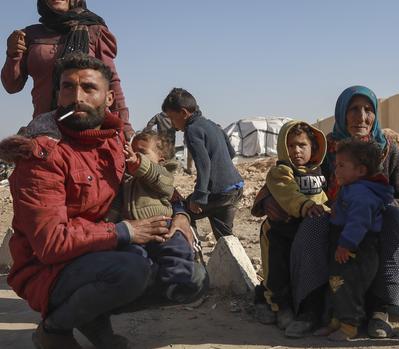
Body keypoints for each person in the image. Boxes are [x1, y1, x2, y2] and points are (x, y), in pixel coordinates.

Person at [0, 53, 203, 349]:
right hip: (49, 269)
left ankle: (92, 319)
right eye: (68, 87)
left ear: (109, 98)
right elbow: (50, 243)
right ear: (58, 94)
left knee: (191, 279)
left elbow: (153, 185)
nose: (77, 97)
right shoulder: (42, 156)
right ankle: (54, 329)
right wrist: (125, 231)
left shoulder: (114, 142)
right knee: (131, 270)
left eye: (88, 88)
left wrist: (181, 214)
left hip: (101, 253)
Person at [288, 85, 399, 339]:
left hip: (375, 223)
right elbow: (295, 178)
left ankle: (379, 311)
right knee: (313, 223)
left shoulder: (387, 149)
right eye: (353, 109)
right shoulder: (325, 150)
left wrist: (380, 206)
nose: (361, 117)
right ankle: (311, 309)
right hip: (337, 218)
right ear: (341, 113)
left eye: (368, 110)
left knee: (394, 219)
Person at [1, 0, 133, 139]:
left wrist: (125, 127)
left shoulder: (94, 30)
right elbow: (11, 86)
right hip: (46, 131)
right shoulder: (29, 35)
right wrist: (12, 54)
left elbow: (111, 80)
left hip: (89, 128)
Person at [105, 130, 206, 304]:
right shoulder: (127, 182)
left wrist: (139, 163)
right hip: (135, 232)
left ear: (160, 161)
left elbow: (166, 185)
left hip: (162, 225)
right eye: (132, 151)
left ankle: (176, 283)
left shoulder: (162, 176)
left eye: (142, 153)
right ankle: (146, 285)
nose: (134, 156)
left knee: (176, 248)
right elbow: (116, 205)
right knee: (134, 256)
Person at [251, 121, 329, 334]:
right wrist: (306, 206)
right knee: (277, 268)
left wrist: (328, 210)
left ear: (313, 146)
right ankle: (278, 305)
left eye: (302, 145)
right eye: (291, 146)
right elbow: (288, 193)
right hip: (282, 229)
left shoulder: (319, 171)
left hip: (309, 226)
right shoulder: (281, 171)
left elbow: (324, 197)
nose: (296, 150)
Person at [315, 139, 395, 341]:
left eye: (341, 165)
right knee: (336, 283)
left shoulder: (362, 193)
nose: (336, 170)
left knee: (348, 286)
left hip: (358, 250)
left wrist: (346, 244)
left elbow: (359, 222)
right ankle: (336, 321)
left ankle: (349, 326)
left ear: (360, 170)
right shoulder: (352, 188)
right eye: (336, 165)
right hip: (345, 246)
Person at [161, 88, 244, 241]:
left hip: (219, 192)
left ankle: (193, 252)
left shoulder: (192, 130)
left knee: (183, 212)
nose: (172, 124)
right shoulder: (212, 124)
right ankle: (235, 263)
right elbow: (231, 153)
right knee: (225, 238)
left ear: (184, 113)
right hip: (234, 187)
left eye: (172, 118)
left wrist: (199, 196)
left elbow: (204, 165)